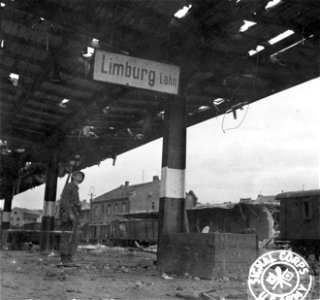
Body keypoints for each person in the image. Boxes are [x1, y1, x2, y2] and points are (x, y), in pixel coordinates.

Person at [59, 171, 85, 264]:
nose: (80, 176)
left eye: (81, 176)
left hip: (74, 215)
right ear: (73, 176)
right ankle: (64, 258)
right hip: (69, 215)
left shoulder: (75, 189)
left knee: (74, 237)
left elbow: (73, 203)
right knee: (66, 236)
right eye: (78, 175)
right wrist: (70, 213)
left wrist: (78, 205)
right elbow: (64, 201)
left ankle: (69, 256)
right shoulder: (69, 186)